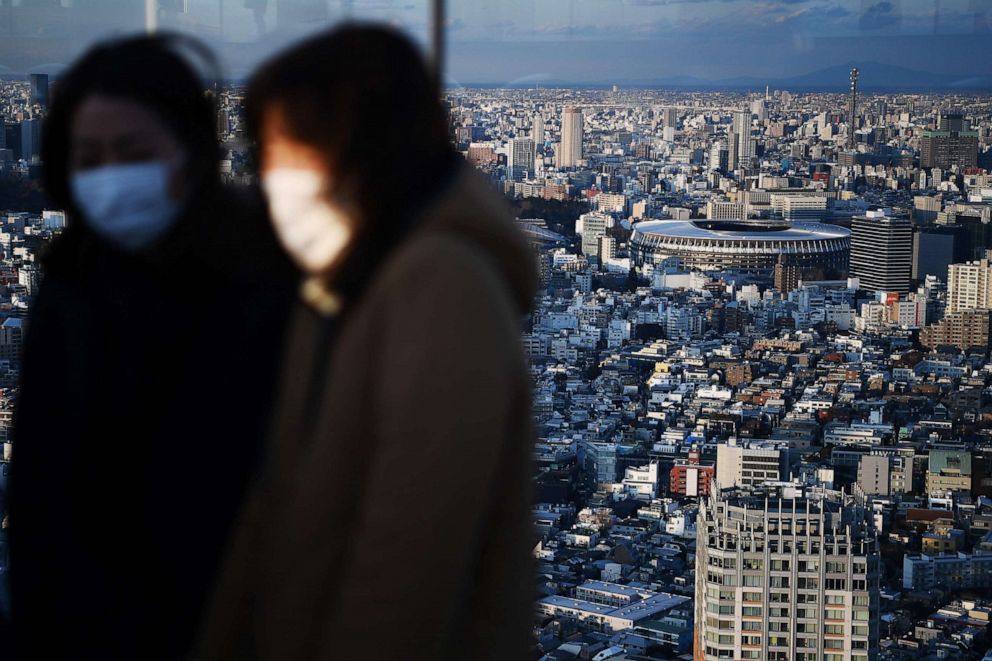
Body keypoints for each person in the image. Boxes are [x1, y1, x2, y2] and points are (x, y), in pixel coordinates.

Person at [197, 25, 537, 660]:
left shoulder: (442, 286)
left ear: (366, 149)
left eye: (291, 151)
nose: (270, 178)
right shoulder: (344, 283)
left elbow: (407, 560)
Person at [8, 35, 296, 659]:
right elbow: (39, 493)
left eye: (134, 152)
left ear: (191, 152)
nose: (112, 174)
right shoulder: (72, 283)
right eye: (91, 156)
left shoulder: (265, 282)